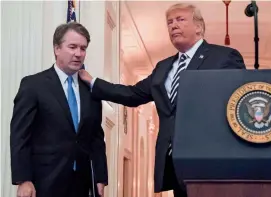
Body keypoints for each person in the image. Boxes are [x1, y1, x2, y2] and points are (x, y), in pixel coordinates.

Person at [79, 3, 246, 197]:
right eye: (169, 22)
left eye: (180, 20)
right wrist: (93, 83)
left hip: (211, 160)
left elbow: (237, 101)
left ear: (199, 27)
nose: (173, 25)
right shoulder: (163, 67)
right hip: (174, 161)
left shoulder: (224, 57)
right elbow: (133, 94)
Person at [10, 22, 108, 197]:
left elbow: (96, 138)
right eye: (72, 47)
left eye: (83, 48)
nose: (78, 54)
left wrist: (100, 177)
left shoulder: (91, 90)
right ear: (57, 49)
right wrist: (23, 180)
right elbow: (20, 136)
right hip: (43, 183)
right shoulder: (33, 85)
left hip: (82, 184)